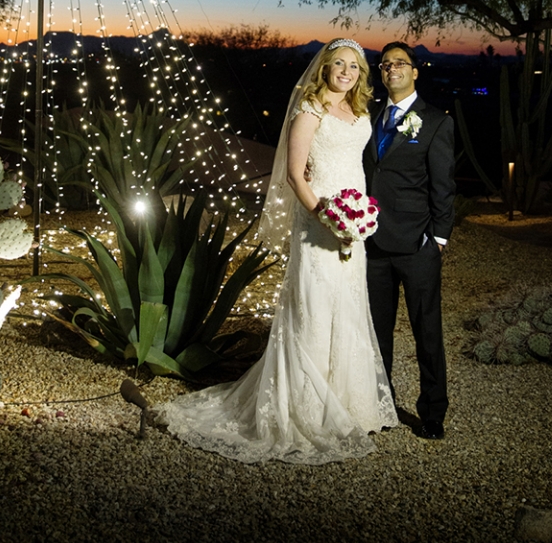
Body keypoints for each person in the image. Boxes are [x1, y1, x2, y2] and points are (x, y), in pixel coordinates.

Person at [158, 38, 397, 464]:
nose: (346, 71)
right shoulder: (310, 111)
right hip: (320, 223)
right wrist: (329, 217)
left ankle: (346, 402)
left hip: (354, 225)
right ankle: (304, 408)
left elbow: (358, 165)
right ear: (324, 68)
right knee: (314, 308)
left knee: (349, 306)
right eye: (338, 64)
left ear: (361, 74)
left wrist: (358, 219)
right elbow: (293, 174)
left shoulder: (360, 112)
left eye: (354, 66)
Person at [362, 41, 456, 440]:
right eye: (385, 64)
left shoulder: (435, 121)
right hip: (372, 246)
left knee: (427, 331)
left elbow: (443, 186)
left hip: (417, 246)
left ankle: (433, 412)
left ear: (415, 71)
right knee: (375, 333)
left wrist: (437, 238)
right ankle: (382, 405)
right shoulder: (367, 116)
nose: (391, 69)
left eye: (400, 63)